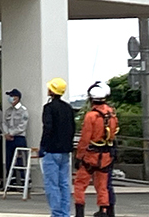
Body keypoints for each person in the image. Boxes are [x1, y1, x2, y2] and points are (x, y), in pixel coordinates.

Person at [74, 81, 118, 217]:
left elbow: (85, 138)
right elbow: (113, 133)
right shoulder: (111, 113)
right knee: (102, 186)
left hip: (91, 155)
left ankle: (79, 212)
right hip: (106, 155)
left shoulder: (91, 116)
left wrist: (79, 156)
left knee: (80, 184)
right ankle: (103, 210)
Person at [40, 77, 75, 217]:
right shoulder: (68, 108)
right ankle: (65, 213)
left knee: (51, 184)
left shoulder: (48, 108)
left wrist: (43, 146)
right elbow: (72, 128)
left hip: (51, 150)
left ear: (52, 91)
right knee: (64, 183)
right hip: (65, 150)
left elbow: (47, 128)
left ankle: (56, 213)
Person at [2, 88, 29, 187]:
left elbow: (23, 125)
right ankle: (11, 182)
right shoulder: (8, 111)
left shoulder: (23, 110)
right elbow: (4, 123)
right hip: (9, 138)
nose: (11, 98)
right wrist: (6, 133)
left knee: (21, 160)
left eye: (12, 96)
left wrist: (12, 133)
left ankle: (24, 181)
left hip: (19, 138)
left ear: (17, 98)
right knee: (9, 160)